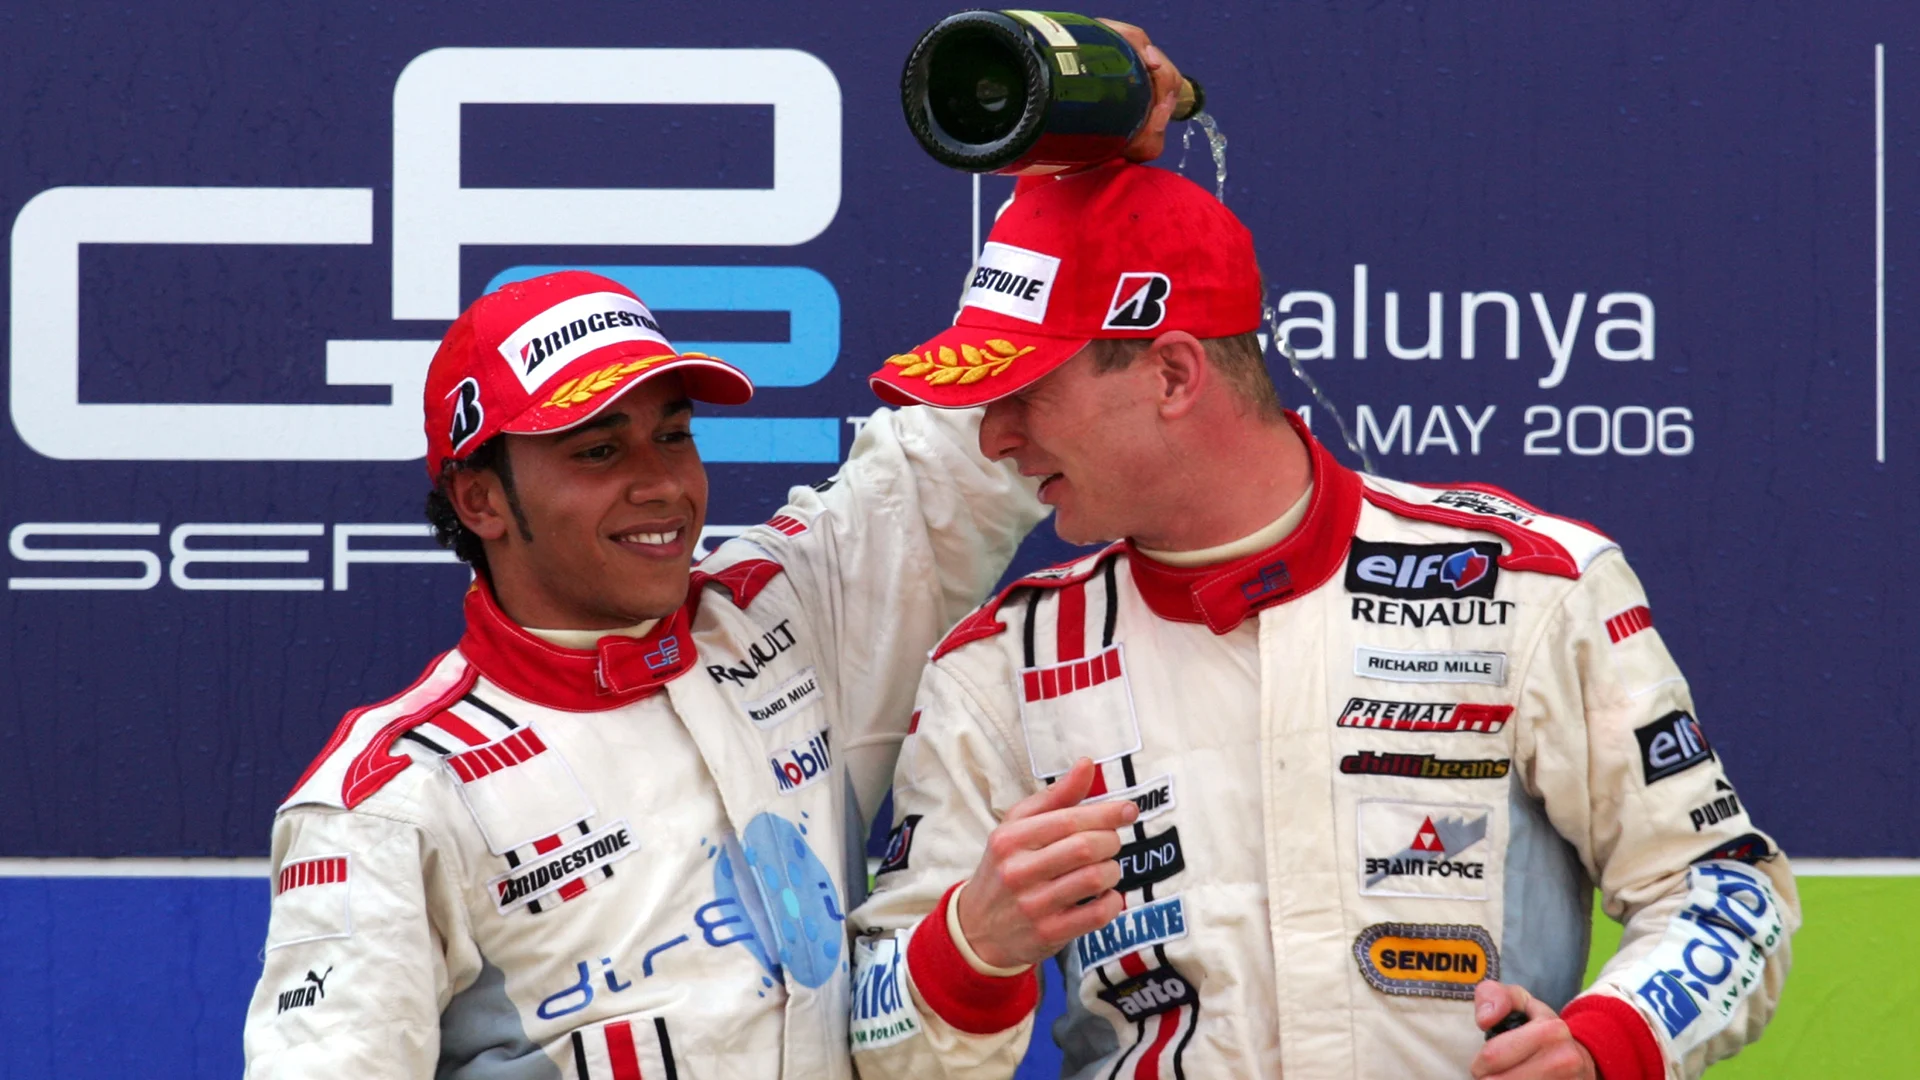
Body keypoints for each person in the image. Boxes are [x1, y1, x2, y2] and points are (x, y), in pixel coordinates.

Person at [240, 25, 1188, 1078]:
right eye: (599, 451)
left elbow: (960, 447)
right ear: (482, 499)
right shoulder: (389, 799)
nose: (662, 483)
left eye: (674, 434)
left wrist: (1064, 167)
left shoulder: (787, 613)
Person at [847, 161, 1797, 1080]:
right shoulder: (999, 669)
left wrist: (1607, 1045)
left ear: (1172, 375)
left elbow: (1726, 889)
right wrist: (970, 947)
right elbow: (884, 1048)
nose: (993, 437)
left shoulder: (1528, 586)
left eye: (1025, 393)